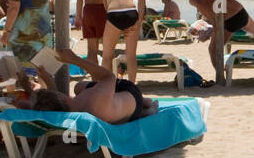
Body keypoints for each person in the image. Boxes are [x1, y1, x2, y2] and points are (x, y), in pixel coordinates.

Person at [12, 48, 157, 123]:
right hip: (130, 95)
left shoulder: (67, 112)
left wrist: (39, 83)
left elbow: (51, 103)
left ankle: (144, 107)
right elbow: (109, 76)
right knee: (82, 86)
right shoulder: (94, 101)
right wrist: (74, 60)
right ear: (63, 99)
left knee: (78, 88)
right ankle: (146, 105)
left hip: (110, 101)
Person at [100, 0, 145, 83]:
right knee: (131, 56)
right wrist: (139, 20)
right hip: (131, 14)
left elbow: (106, 8)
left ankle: (107, 85)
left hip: (114, 14)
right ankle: (131, 86)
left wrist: (116, 24)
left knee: (106, 56)